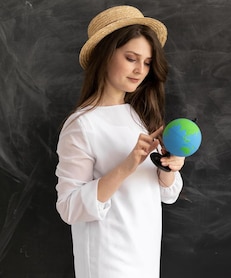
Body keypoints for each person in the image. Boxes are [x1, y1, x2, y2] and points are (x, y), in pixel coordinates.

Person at [55, 5, 184, 278]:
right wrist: (126, 166)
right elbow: (68, 207)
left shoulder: (138, 117)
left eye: (147, 62)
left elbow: (166, 195)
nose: (140, 70)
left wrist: (169, 168)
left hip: (145, 255)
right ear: (104, 55)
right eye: (131, 58)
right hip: (107, 261)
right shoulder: (82, 125)